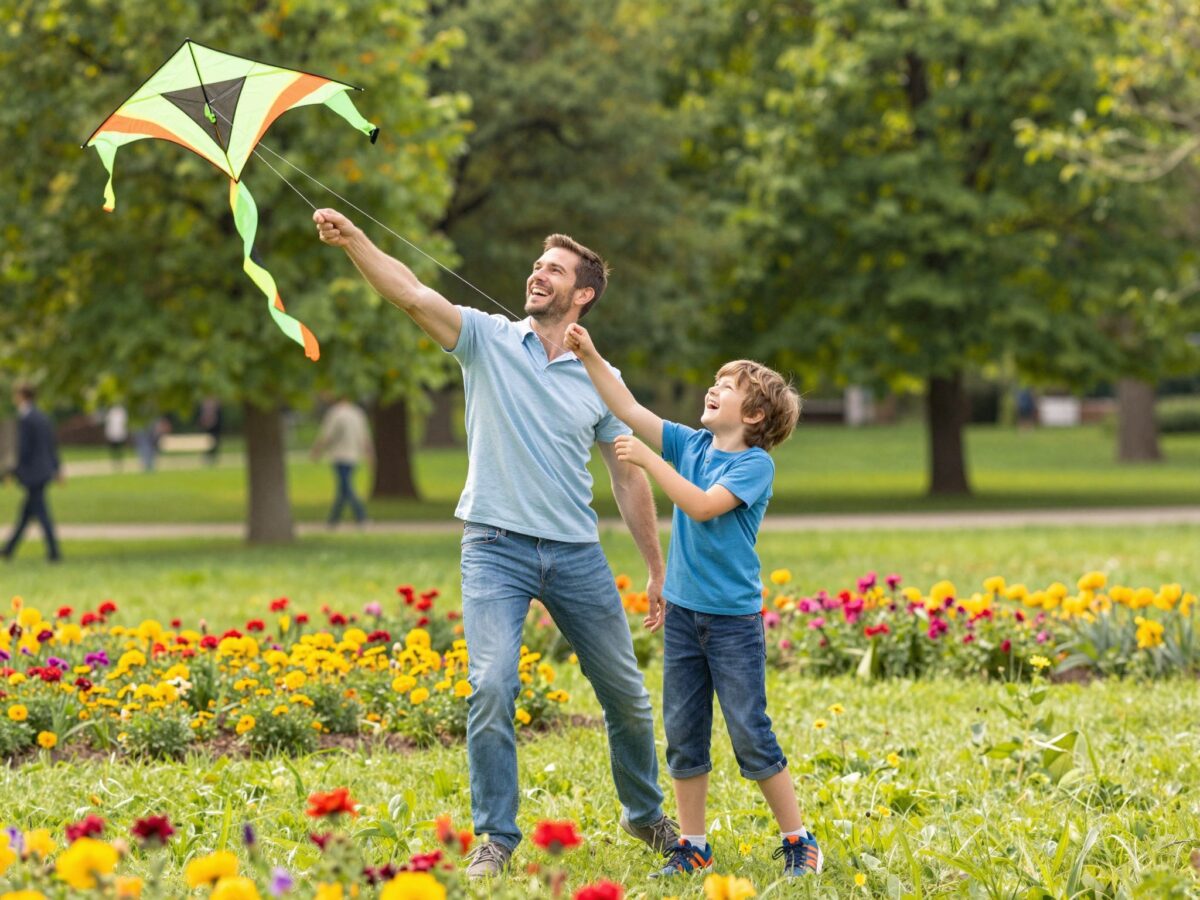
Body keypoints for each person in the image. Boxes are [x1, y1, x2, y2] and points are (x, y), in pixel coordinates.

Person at [313, 208, 676, 877]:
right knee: (492, 685)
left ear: (583, 295)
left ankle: (646, 815)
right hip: (493, 548)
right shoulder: (485, 338)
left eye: (555, 270)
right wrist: (355, 240)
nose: (539, 274)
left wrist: (655, 568)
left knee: (626, 693)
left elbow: (629, 478)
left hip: (576, 554)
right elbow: (411, 294)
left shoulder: (603, 378)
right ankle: (497, 839)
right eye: (539, 265)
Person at [564, 323, 822, 879]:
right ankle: (693, 845)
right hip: (683, 616)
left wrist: (650, 463)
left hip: (732, 624)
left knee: (750, 733)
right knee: (683, 735)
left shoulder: (753, 466)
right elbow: (628, 407)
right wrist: (589, 355)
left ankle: (799, 838)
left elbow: (704, 506)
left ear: (753, 415)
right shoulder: (692, 443)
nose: (715, 387)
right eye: (717, 380)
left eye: (727, 385)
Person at [2, 384, 62, 563]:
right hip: (44, 471)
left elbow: (23, 449)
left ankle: (54, 552)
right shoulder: (43, 417)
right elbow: (52, 445)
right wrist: (56, 468)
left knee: (41, 514)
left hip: (33, 473)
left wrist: (11, 470)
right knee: (27, 513)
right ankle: (8, 549)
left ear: (21, 396)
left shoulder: (26, 419)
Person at [310, 395, 373, 527]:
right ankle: (334, 520)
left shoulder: (335, 413)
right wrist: (369, 454)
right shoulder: (357, 413)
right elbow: (365, 436)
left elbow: (327, 435)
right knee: (343, 488)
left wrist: (317, 451)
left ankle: (361, 516)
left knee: (346, 488)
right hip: (354, 456)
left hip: (340, 455)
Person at [104, 403, 128, 470]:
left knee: (119, 449)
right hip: (113, 433)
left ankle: (119, 462)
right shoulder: (111, 411)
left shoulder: (122, 411)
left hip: (120, 433)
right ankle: (114, 462)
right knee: (113, 449)